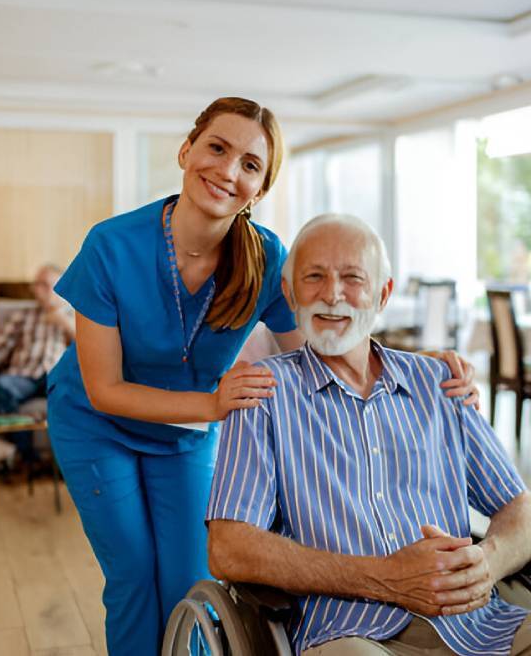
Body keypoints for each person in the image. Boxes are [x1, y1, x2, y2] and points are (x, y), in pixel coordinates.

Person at [47, 97, 479, 656]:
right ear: (187, 150)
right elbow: (105, 389)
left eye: (250, 165)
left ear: (261, 187)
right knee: (132, 575)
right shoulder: (111, 245)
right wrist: (212, 406)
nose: (228, 171)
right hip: (97, 423)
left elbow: (325, 348)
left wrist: (423, 368)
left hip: (185, 435)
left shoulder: (266, 259)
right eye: (217, 148)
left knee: (191, 585)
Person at [206, 213, 531, 656]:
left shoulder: (439, 383)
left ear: (383, 294)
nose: (333, 294)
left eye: (352, 278)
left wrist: (488, 563)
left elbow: (522, 510)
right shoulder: (264, 394)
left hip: (483, 627)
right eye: (314, 277)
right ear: (290, 293)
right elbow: (228, 548)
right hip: (350, 634)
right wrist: (384, 579)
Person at [0, 263, 74, 462]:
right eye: (36, 284)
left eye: (44, 284)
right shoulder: (23, 316)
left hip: (54, 375)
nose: (38, 289)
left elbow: (88, 350)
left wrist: (64, 322)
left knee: (74, 394)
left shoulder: (75, 316)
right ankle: (27, 454)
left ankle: (68, 461)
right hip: (22, 376)